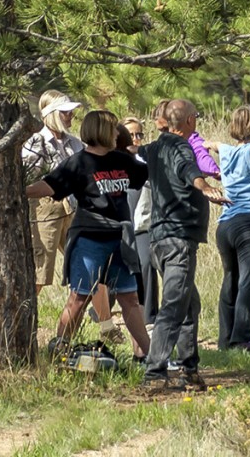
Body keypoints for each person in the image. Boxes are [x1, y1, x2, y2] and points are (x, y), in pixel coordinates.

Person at [25, 111, 151, 359]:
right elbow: (51, 185)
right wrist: (20, 191)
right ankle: (59, 350)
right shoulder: (79, 162)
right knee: (79, 297)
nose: (118, 133)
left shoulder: (121, 160)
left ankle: (149, 358)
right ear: (101, 131)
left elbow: (144, 174)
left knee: (129, 298)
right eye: (113, 129)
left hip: (120, 240)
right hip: (90, 239)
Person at [139, 99, 229, 392]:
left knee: (189, 304)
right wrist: (206, 188)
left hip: (159, 239)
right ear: (189, 120)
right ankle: (155, 372)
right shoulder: (181, 147)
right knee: (175, 305)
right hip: (178, 238)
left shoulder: (152, 149)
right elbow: (188, 170)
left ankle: (189, 369)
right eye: (197, 117)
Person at [211, 106, 250, 352]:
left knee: (231, 280)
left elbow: (212, 144)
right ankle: (243, 338)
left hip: (225, 224)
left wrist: (205, 145)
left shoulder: (227, 152)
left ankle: (226, 339)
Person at [22, 90, 84, 296]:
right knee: (40, 271)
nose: (70, 116)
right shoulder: (35, 142)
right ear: (52, 114)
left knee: (87, 265)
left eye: (70, 112)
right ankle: (25, 322)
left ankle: (106, 325)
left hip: (73, 210)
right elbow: (28, 180)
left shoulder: (75, 143)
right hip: (44, 213)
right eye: (65, 112)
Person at [123, 116, 158, 325]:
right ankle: (103, 312)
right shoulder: (113, 160)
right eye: (131, 135)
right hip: (119, 227)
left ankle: (149, 317)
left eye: (139, 134)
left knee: (146, 264)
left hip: (143, 225)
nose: (135, 139)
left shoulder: (146, 161)